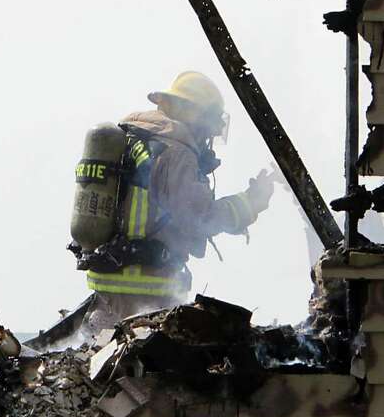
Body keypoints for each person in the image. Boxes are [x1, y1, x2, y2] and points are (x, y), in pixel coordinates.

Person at [81, 71, 275, 330]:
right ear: (194, 114)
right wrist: (251, 203)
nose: (208, 136)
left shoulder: (134, 137)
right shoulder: (176, 149)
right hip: (144, 292)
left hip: (109, 287)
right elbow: (200, 217)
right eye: (208, 123)